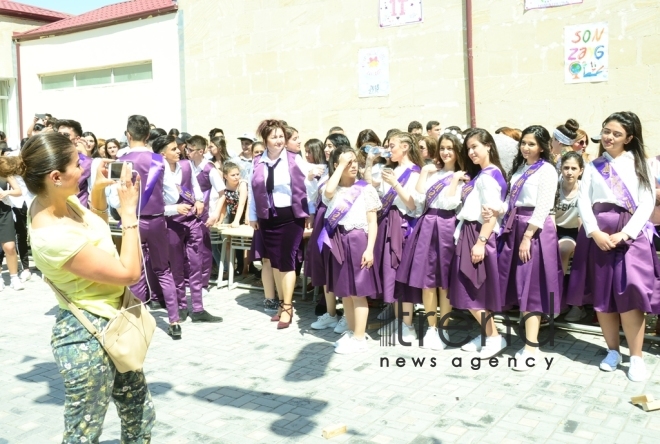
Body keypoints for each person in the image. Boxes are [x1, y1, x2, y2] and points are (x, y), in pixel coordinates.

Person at [25, 132, 154, 442]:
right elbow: (129, 272)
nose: (83, 167)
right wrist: (128, 215)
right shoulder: (52, 235)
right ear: (56, 176)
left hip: (112, 321)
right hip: (88, 337)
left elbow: (94, 224)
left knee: (140, 414)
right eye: (77, 163)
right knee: (84, 434)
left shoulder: (58, 201)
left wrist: (97, 190)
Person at [566, 111, 660, 382]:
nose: (608, 137)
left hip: (630, 235)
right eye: (606, 131)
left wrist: (626, 234)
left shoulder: (640, 164)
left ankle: (637, 356)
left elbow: (646, 202)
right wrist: (594, 232)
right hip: (598, 235)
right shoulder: (594, 166)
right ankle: (612, 351)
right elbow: (584, 202)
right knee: (603, 296)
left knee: (630, 295)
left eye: (616, 133)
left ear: (629, 137)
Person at [493, 125, 563, 369]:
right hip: (516, 225)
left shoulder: (547, 170)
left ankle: (533, 347)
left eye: (531, 144)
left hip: (534, 230)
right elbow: (511, 201)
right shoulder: (520, 168)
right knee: (520, 285)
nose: (526, 147)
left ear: (542, 146)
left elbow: (543, 206)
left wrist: (527, 236)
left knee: (531, 287)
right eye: (523, 142)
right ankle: (527, 342)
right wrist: (496, 210)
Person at [108, 115, 182, 338]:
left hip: (133, 221)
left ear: (128, 135)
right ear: (148, 135)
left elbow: (112, 198)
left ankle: (137, 320)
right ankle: (174, 320)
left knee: (135, 271)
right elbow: (173, 195)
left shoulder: (120, 161)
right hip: (158, 220)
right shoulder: (159, 160)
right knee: (163, 270)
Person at [396, 132, 465, 350]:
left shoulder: (462, 175)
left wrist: (454, 179)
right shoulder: (433, 172)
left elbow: (452, 202)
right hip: (426, 225)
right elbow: (417, 200)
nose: (446, 152)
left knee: (443, 283)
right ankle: (431, 327)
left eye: (450, 148)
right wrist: (424, 172)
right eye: (443, 148)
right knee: (427, 281)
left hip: (446, 225)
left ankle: (443, 329)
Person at [449, 128, 508, 359]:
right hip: (473, 233)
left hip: (477, 233)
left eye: (475, 147)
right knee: (475, 291)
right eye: (468, 148)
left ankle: (494, 337)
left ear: (488, 146)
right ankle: (487, 333)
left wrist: (481, 242)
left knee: (471, 292)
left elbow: (491, 213)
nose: (471, 152)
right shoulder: (486, 174)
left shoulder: (487, 177)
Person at [249, 119, 310, 329]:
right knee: (274, 261)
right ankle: (281, 305)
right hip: (267, 218)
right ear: (265, 140)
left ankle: (287, 306)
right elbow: (252, 189)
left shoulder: (294, 159)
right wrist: (253, 215)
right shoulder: (257, 161)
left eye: (281, 136)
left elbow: (309, 185)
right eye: (274, 137)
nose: (278, 140)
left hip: (291, 217)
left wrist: (308, 211)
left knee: (287, 261)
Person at [155, 135, 222, 323]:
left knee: (196, 262)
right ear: (163, 153)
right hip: (172, 221)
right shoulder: (157, 171)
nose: (178, 151)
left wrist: (200, 200)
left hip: (192, 218)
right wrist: (173, 209)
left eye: (178, 148)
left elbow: (194, 185)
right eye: (173, 149)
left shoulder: (186, 165)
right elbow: (154, 203)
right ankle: (182, 306)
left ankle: (198, 308)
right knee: (176, 265)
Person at [321, 146, 381, 354]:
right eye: (348, 162)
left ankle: (359, 337)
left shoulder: (366, 188)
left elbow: (372, 222)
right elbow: (328, 192)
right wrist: (339, 167)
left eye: (355, 161)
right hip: (338, 240)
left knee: (359, 293)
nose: (353, 165)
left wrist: (370, 249)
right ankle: (351, 330)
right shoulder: (333, 189)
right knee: (344, 292)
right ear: (337, 166)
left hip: (358, 240)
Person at [367, 132, 424, 342]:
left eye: (392, 146)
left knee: (400, 274)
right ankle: (400, 320)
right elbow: (371, 187)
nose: (389, 149)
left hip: (402, 224)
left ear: (406, 147)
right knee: (391, 274)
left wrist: (395, 184)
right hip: (387, 222)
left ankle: (408, 325)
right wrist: (369, 162)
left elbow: (413, 205)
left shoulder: (415, 172)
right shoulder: (394, 169)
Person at [186, 135, 225, 293]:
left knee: (203, 247)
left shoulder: (209, 169)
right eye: (186, 149)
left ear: (201, 151)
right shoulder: (188, 165)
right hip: (190, 211)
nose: (187, 152)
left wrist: (215, 214)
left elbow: (223, 193)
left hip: (205, 212)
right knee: (191, 247)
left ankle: (203, 282)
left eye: (190, 149)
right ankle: (191, 279)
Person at [555, 152, 585, 322]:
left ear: (580, 171)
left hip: (574, 231)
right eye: (566, 167)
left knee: (564, 250)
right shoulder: (555, 186)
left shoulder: (583, 188)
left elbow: (583, 218)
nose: (569, 172)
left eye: (574, 168)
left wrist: (581, 242)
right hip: (554, 228)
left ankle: (568, 301)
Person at [0, 157, 26, 291]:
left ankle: (14, 277)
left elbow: (18, 190)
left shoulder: (3, 170)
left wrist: (6, 192)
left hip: (3, 212)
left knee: (10, 247)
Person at [54, 119, 93, 208]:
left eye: (66, 135)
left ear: (77, 139)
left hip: (77, 211)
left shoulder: (86, 162)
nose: (61, 138)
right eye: (58, 134)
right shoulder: (51, 158)